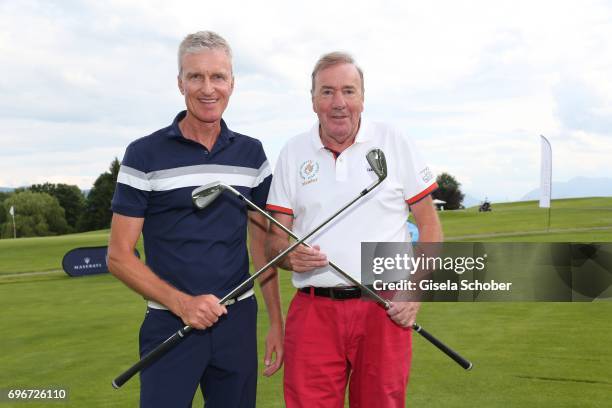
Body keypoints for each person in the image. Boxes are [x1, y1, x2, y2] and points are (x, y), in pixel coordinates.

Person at [107, 31, 283, 408]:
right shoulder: (143, 154)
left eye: (218, 76)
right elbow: (119, 256)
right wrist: (182, 304)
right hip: (170, 322)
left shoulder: (251, 154)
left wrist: (276, 324)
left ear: (232, 83)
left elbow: (263, 245)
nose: (208, 88)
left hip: (237, 323)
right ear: (180, 82)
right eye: (196, 76)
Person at [265, 51, 442, 408]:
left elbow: (430, 229)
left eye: (348, 91)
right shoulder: (293, 152)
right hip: (314, 311)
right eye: (327, 92)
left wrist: (415, 292)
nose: (338, 103)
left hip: (383, 305)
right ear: (313, 101)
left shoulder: (393, 140)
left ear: (362, 97)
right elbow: (275, 242)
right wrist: (288, 256)